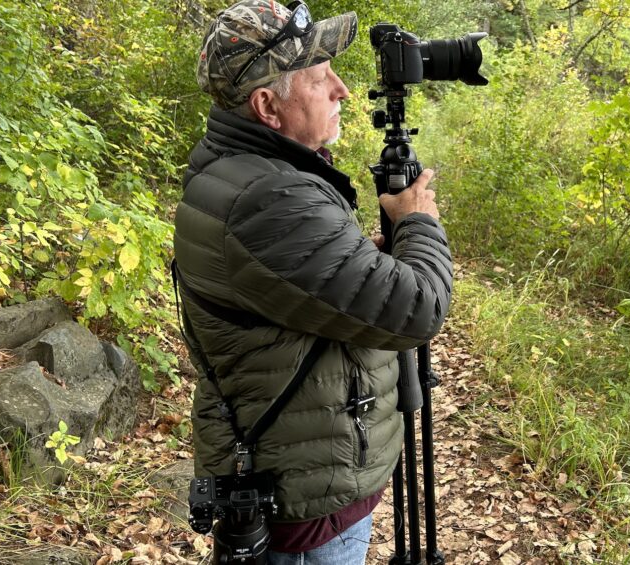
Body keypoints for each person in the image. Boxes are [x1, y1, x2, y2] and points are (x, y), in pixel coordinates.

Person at [174, 1, 453, 563]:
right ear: (266, 106)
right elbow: (418, 308)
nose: (343, 90)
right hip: (307, 504)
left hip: (298, 473)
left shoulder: (239, 170)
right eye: (322, 77)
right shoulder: (269, 197)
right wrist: (416, 220)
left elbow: (297, 288)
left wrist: (363, 255)